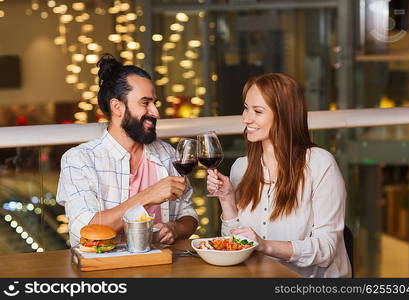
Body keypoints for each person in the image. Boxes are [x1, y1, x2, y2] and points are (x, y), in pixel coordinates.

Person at [207, 73, 351, 277]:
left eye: (257, 111)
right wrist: (227, 200)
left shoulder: (320, 164)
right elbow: (236, 245)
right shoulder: (242, 167)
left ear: (284, 115)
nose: (246, 118)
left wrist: (264, 245)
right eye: (246, 108)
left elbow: (326, 250)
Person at [57, 54, 198, 247]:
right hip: (105, 270)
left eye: (154, 103)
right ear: (117, 107)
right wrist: (147, 196)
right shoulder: (79, 160)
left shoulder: (167, 154)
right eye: (145, 103)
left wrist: (175, 228)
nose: (155, 112)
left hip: (162, 265)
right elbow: (85, 230)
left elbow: (188, 215)